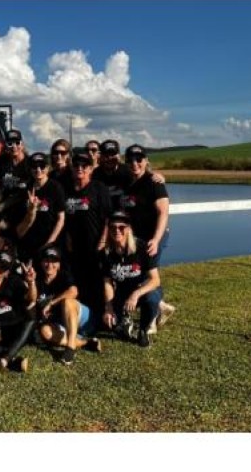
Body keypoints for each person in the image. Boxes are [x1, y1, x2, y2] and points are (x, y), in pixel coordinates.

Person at [121, 144, 175, 332]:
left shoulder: (154, 182)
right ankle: (161, 307)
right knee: (140, 274)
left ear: (146, 161)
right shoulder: (126, 181)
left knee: (149, 275)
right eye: (130, 160)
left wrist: (156, 239)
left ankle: (151, 318)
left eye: (139, 160)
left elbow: (163, 212)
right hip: (135, 239)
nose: (135, 163)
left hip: (153, 237)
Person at [63, 151, 112, 325]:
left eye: (84, 166)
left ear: (91, 169)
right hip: (74, 246)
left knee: (97, 281)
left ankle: (101, 317)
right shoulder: (66, 189)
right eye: (76, 165)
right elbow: (64, 217)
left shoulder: (98, 188)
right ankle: (83, 317)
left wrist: (103, 240)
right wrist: (67, 237)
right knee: (79, 281)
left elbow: (108, 218)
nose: (80, 168)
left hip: (95, 244)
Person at [101, 211, 162, 347]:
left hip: (143, 290)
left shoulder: (142, 248)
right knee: (109, 323)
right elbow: (107, 283)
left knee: (152, 298)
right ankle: (125, 321)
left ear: (128, 228)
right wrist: (109, 307)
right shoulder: (106, 253)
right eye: (113, 227)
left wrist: (136, 294)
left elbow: (155, 280)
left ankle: (143, 330)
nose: (117, 231)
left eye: (121, 227)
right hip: (122, 293)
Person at [34, 246, 101, 365]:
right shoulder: (37, 281)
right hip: (62, 324)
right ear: (41, 263)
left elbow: (74, 291)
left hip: (82, 321)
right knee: (45, 331)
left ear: (59, 264)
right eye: (46, 261)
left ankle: (70, 349)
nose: (50, 264)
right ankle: (85, 343)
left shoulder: (64, 275)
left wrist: (52, 303)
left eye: (54, 261)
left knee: (67, 301)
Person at [16, 152, 66, 264]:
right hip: (28, 243)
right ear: (30, 169)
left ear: (48, 168)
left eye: (42, 166)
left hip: (50, 242)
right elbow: (20, 222)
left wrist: (49, 243)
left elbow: (61, 219)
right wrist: (31, 210)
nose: (38, 170)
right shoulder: (26, 188)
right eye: (34, 166)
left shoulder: (56, 187)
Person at [0, 129, 31, 235]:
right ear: (6, 145)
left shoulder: (30, 164)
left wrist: (2, 206)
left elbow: (25, 193)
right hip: (3, 209)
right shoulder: (2, 161)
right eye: (10, 143)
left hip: (23, 208)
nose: (14, 146)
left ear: (22, 144)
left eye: (17, 143)